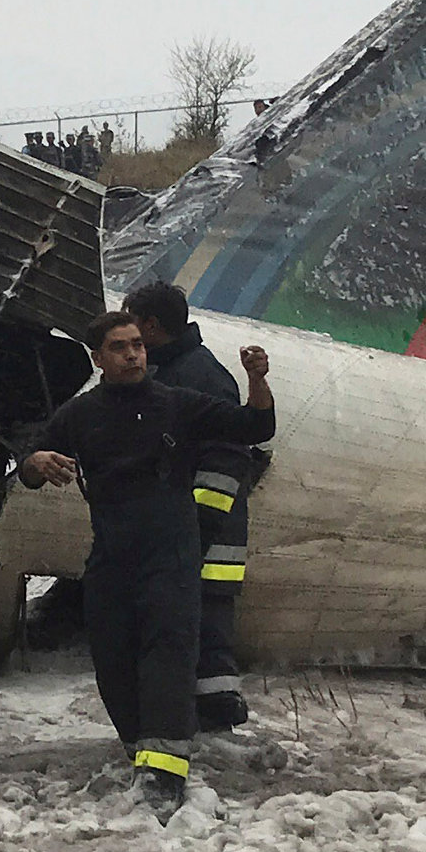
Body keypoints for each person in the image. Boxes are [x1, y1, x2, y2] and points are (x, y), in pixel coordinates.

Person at [23, 310, 275, 817]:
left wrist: (257, 380)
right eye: (120, 347)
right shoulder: (81, 414)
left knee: (167, 657)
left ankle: (164, 776)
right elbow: (31, 458)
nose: (134, 353)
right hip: (113, 557)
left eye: (138, 344)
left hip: (171, 556)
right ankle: (144, 754)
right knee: (114, 661)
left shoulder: (175, 404)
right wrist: (37, 463)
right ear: (98, 358)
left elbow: (256, 425)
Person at [126, 279, 269, 732]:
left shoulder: (200, 376)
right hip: (183, 536)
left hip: (207, 542)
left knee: (206, 636)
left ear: (151, 325)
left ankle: (217, 723)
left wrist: (197, 527)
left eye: (133, 322)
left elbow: (228, 459)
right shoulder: (169, 371)